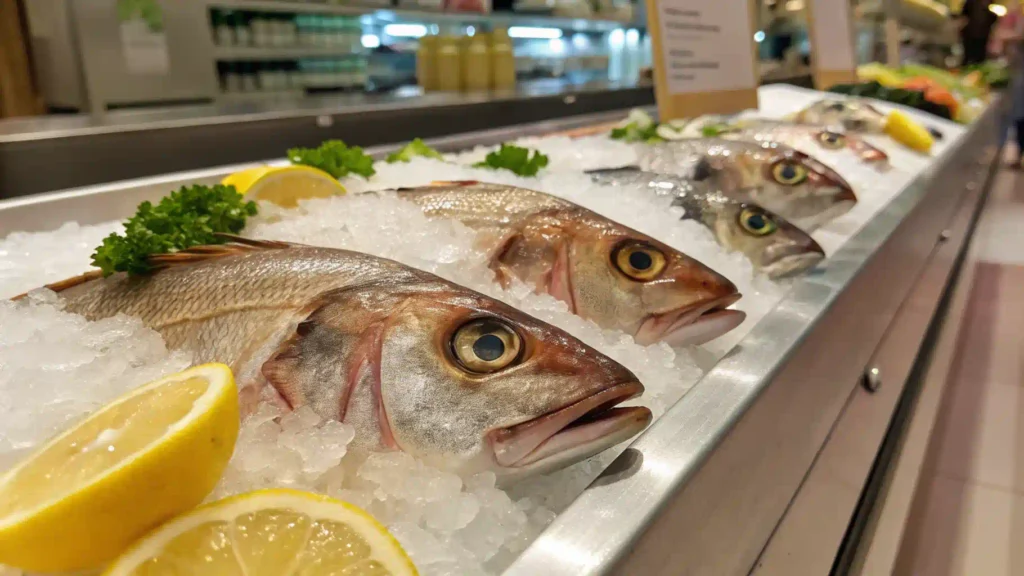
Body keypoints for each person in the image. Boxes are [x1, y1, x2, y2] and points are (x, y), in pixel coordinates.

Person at [959, 0, 999, 66]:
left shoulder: (991, 4)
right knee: (967, 54)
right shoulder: (971, 2)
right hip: (970, 33)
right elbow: (964, 15)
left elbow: (993, 18)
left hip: (983, 35)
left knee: (979, 56)